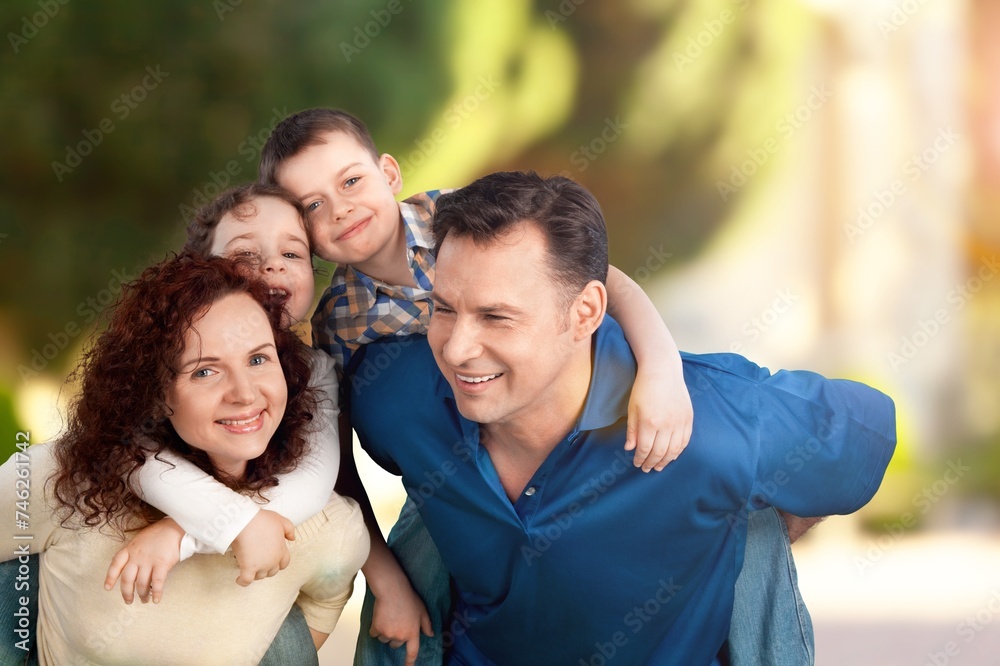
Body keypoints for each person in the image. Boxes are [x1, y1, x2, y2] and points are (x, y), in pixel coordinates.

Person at [345, 171, 897, 665]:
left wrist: (749, 530)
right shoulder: (395, 396)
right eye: (444, 308)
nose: (458, 349)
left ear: (585, 312)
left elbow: (868, 430)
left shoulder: (712, 425)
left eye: (496, 317)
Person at [258, 108, 696, 665]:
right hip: (453, 477)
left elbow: (610, 283)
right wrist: (388, 583)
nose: (340, 208)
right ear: (305, 234)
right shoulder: (338, 322)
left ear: (389, 173)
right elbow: (338, 463)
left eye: (351, 181)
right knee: (394, 629)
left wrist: (663, 370)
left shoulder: (463, 219)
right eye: (313, 205)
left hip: (582, 424)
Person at [0, 254, 369, 665]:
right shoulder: (65, 480)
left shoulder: (328, 530)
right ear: (156, 393)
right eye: (204, 372)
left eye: (258, 359)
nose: (244, 394)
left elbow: (328, 594)